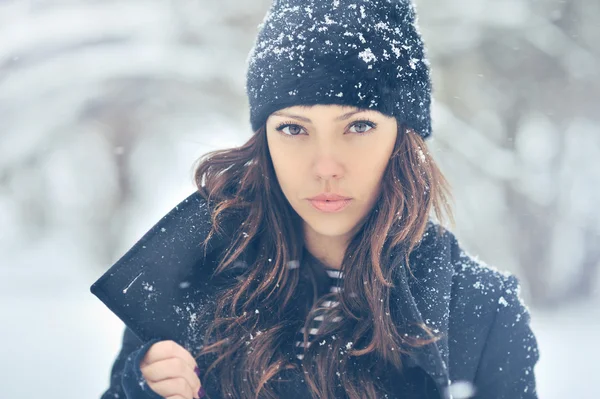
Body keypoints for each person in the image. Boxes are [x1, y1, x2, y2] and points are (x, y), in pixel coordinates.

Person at [94, 0, 540, 398]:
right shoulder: (191, 278)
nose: (325, 166)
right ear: (265, 140)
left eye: (359, 126)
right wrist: (143, 389)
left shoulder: (477, 311)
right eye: (293, 129)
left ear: (403, 139)